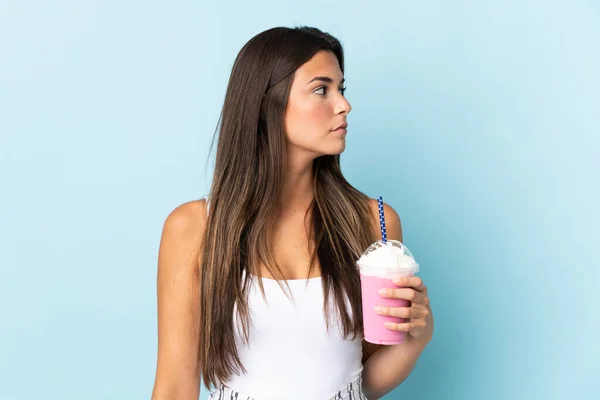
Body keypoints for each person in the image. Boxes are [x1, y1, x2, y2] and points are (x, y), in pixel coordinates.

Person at [150, 26, 434, 400]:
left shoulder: (371, 223)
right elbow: (174, 386)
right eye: (321, 89)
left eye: (342, 89)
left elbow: (360, 380)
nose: (343, 105)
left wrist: (417, 339)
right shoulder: (195, 228)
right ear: (268, 102)